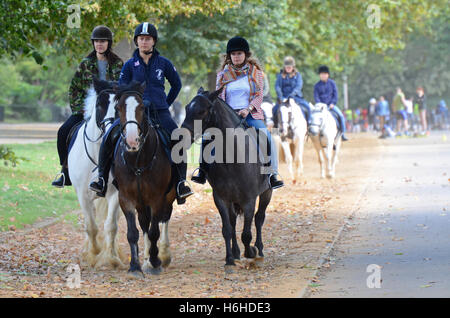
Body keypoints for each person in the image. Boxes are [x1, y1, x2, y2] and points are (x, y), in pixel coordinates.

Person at [88, 22, 193, 204]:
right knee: (108, 137)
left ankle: (181, 183)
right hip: (134, 114)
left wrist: (165, 103)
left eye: (148, 39)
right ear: (137, 41)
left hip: (159, 112)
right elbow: (122, 88)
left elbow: (176, 85)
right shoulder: (129, 65)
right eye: (141, 39)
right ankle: (102, 179)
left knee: (178, 138)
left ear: (153, 41)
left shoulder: (164, 63)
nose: (144, 42)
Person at [191, 36, 284, 189]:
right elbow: (220, 97)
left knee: (266, 135)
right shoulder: (222, 74)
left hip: (250, 113)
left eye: (239, 54)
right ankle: (202, 171)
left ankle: (272, 174)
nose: (236, 57)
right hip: (228, 114)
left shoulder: (256, 73)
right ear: (229, 56)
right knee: (207, 136)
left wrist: (247, 109)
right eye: (233, 54)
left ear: (246, 55)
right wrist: (227, 112)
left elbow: (259, 95)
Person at [52, 25, 123, 187]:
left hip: (111, 111)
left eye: (103, 41)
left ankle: (121, 173)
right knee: (63, 132)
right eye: (97, 41)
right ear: (93, 43)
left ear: (108, 43)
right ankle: (65, 171)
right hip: (86, 110)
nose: (99, 44)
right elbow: (74, 89)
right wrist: (80, 110)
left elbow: (122, 89)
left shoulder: (118, 64)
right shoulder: (85, 63)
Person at [313, 65, 348, 141]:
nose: (323, 75)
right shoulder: (316, 85)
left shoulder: (332, 83)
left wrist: (333, 103)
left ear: (328, 75)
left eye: (325, 74)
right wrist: (320, 105)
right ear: (319, 75)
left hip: (331, 105)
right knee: (313, 117)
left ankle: (342, 133)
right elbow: (316, 96)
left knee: (341, 116)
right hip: (321, 107)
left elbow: (335, 95)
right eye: (322, 74)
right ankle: (313, 133)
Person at [273, 56, 311, 125]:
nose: (288, 68)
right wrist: (281, 96)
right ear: (284, 67)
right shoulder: (280, 75)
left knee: (307, 107)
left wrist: (292, 95)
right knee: (274, 109)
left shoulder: (298, 75)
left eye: (290, 67)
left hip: (295, 97)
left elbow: (298, 86)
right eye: (287, 67)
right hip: (283, 97)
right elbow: (277, 86)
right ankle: (275, 129)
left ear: (293, 67)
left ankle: (308, 124)